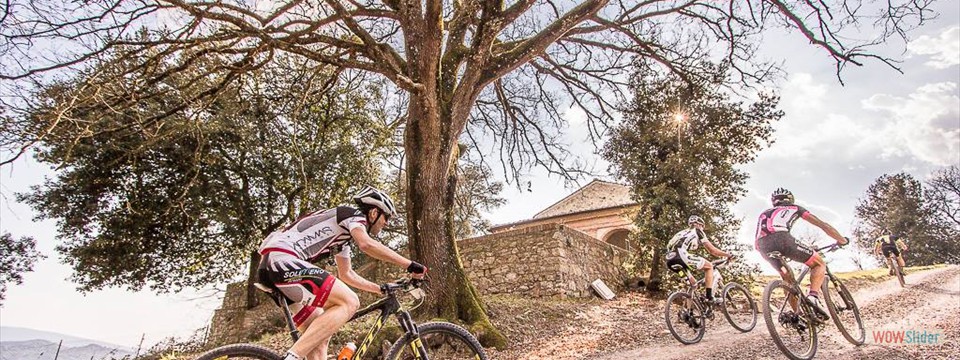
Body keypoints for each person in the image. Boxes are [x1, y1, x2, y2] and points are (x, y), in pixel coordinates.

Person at [256, 186, 427, 360]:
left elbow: (347, 275)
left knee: (319, 337)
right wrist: (410, 265)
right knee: (351, 302)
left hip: (271, 266)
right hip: (282, 260)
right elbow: (366, 244)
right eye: (386, 217)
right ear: (374, 213)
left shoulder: (343, 238)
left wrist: (380, 289)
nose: (387, 223)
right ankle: (292, 357)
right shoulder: (352, 215)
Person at [754, 188, 848, 318]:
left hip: (762, 246)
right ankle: (813, 297)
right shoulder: (795, 208)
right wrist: (841, 240)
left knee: (788, 279)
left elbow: (758, 236)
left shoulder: (765, 213)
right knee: (818, 264)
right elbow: (823, 225)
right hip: (783, 239)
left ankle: (798, 315)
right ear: (790, 199)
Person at [665, 215, 733, 303]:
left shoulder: (680, 233)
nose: (702, 229)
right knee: (709, 267)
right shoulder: (698, 231)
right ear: (698, 224)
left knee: (693, 284)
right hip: (681, 255)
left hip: (670, 261)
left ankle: (689, 312)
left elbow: (669, 246)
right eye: (702, 226)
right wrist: (728, 255)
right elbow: (712, 251)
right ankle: (709, 297)